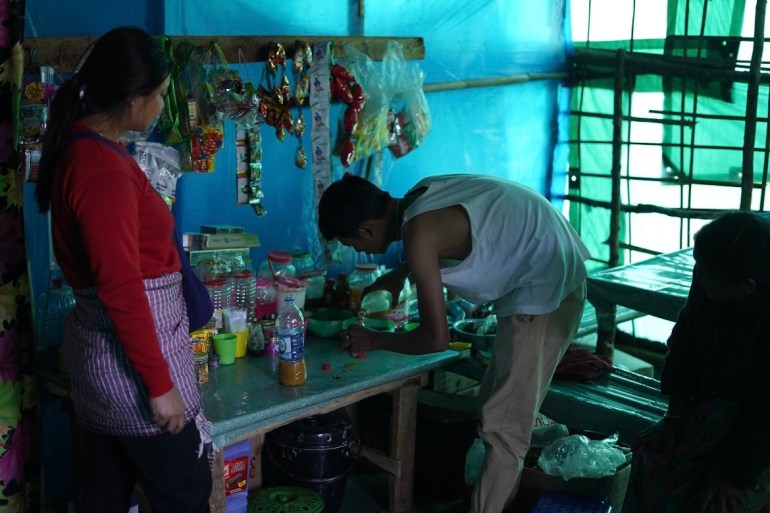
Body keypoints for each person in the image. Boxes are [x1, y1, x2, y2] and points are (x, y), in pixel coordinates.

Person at [318, 173, 590, 513]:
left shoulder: (417, 234)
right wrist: (400, 274)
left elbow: (436, 338)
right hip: (548, 270)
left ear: (366, 230)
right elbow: (441, 238)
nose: (358, 250)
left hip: (548, 288)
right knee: (494, 408)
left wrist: (373, 339)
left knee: (505, 428)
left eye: (353, 243)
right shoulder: (421, 192)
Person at [35, 27, 212, 512]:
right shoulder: (100, 169)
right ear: (133, 100)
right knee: (184, 492)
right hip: (131, 365)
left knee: (105, 492)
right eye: (157, 97)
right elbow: (119, 286)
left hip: (108, 357)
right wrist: (160, 387)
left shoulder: (88, 148)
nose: (159, 107)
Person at [623, 211, 770, 513]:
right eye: (697, 268)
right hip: (724, 400)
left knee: (716, 504)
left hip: (762, 423)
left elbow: (766, 407)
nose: (697, 276)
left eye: (705, 274)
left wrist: (734, 477)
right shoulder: (713, 269)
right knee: (651, 461)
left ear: (747, 287)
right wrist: (674, 417)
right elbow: (686, 338)